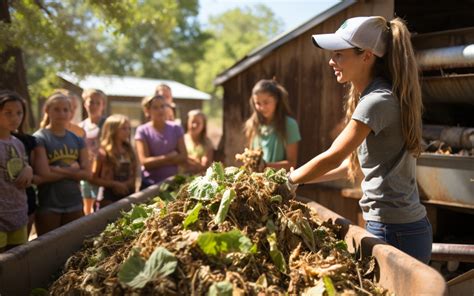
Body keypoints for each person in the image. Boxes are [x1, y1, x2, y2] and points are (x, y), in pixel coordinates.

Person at [287, 16, 431, 263]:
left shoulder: (377, 101)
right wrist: (299, 183)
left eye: (339, 55)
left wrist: (287, 180)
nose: (331, 62)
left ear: (366, 56)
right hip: (399, 226)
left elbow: (334, 156)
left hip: (395, 229)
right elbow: (351, 167)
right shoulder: (377, 96)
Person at [33, 93, 90, 236]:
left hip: (75, 203)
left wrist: (57, 169)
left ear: (71, 112)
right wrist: (73, 171)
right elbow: (43, 174)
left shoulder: (78, 140)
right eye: (57, 109)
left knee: (74, 250)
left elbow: (88, 174)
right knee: (47, 251)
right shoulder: (39, 138)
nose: (62, 113)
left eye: (65, 110)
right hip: (48, 205)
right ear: (47, 110)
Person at [0, 90, 33, 252]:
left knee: (17, 260)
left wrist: (28, 168)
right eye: (8, 113)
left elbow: (23, 165)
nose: (15, 118)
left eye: (19, 113)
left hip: (19, 213)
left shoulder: (19, 143)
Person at [244, 79, 301, 171]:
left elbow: (292, 163)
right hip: (255, 181)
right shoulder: (252, 124)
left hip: (279, 182)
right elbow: (250, 156)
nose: (262, 107)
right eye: (258, 103)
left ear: (276, 100)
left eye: (266, 102)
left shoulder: (289, 125)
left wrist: (265, 166)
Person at [135, 95, 187, 189]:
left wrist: (157, 161)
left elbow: (183, 157)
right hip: (149, 185)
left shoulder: (176, 128)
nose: (160, 110)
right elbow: (145, 162)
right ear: (147, 111)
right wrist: (169, 157)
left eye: (163, 106)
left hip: (173, 184)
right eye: (155, 107)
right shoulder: (142, 131)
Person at [91, 114, 137, 208]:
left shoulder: (129, 151)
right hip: (107, 199)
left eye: (129, 128)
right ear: (113, 130)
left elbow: (134, 175)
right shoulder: (103, 152)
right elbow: (93, 178)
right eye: (123, 128)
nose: (127, 132)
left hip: (127, 196)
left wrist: (125, 185)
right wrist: (114, 184)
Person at [79, 88, 107, 215]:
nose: (94, 106)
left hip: (102, 173)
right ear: (85, 104)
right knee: (86, 206)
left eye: (98, 103)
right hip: (86, 171)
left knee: (99, 206)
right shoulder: (80, 126)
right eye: (91, 102)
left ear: (103, 105)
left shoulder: (106, 124)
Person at [182, 109, 213, 174]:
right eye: (192, 122)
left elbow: (206, 164)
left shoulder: (207, 142)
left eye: (198, 123)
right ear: (187, 122)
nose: (194, 125)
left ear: (203, 125)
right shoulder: (181, 140)